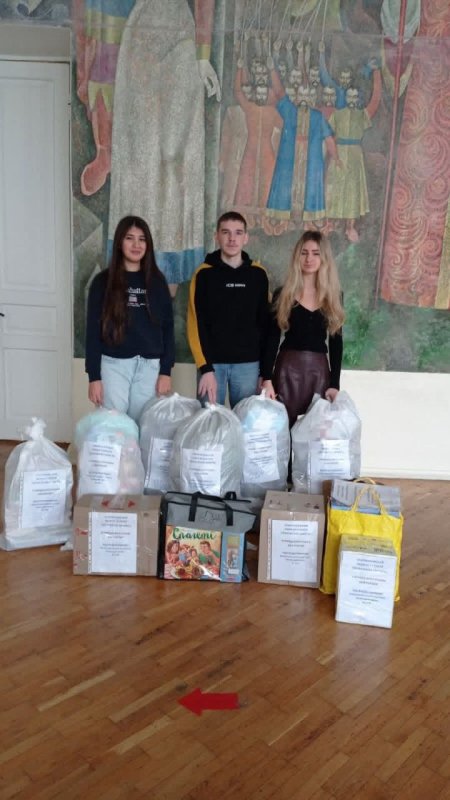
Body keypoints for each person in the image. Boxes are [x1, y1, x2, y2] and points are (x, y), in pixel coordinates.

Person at [85, 216, 175, 422]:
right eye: (129, 238)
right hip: (113, 365)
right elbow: (92, 331)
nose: (136, 245)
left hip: (150, 368)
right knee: (114, 428)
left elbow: (168, 328)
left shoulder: (158, 282)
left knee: (143, 426)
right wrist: (94, 377)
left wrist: (165, 372)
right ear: (119, 243)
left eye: (142, 239)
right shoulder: (102, 282)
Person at [261, 231, 344, 428]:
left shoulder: (334, 296)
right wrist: (267, 378)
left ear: (324, 258)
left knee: (314, 432)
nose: (309, 259)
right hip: (287, 370)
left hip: (319, 372)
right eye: (304, 253)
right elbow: (272, 338)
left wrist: (335, 384)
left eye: (315, 253)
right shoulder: (283, 294)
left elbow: (336, 342)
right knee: (283, 430)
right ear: (297, 256)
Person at [187, 211, 270, 407]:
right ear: (217, 236)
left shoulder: (259, 275)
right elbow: (195, 323)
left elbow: (266, 325)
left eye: (238, 233)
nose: (232, 239)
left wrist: (265, 372)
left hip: (248, 365)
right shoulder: (203, 274)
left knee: (247, 422)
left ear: (246, 237)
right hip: (212, 366)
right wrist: (205, 368)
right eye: (226, 232)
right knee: (209, 420)